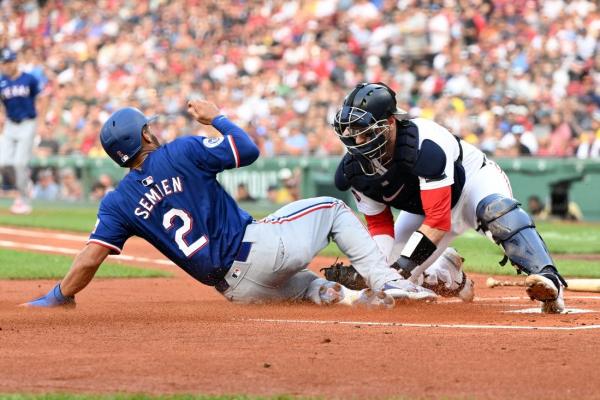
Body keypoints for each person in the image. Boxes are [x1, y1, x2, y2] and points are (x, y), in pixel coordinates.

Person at [23, 99, 439, 309]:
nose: (154, 130)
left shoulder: (118, 203)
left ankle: (328, 293)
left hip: (238, 291)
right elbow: (248, 149)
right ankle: (386, 280)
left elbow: (91, 256)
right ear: (144, 138)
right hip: (257, 250)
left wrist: (59, 295)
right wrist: (216, 117)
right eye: (148, 128)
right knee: (333, 210)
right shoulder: (180, 151)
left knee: (310, 285)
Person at [332, 82, 568, 313]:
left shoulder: (425, 144)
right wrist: (379, 271)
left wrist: (401, 269)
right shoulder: (354, 170)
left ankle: (548, 277)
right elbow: (379, 225)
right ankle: (447, 274)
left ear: (391, 123)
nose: (358, 140)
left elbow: (438, 221)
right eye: (353, 132)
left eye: (365, 131)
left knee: (497, 211)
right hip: (424, 207)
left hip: (472, 184)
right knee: (391, 278)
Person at [0, 49, 44, 214]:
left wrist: (41, 120)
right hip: (11, 124)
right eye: (3, 63)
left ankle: (24, 200)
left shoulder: (29, 78)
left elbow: (42, 97)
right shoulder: (1, 81)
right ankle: (24, 184)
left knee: (19, 163)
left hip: (28, 122)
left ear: (15, 62)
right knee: (3, 163)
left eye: (8, 62)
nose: (6, 66)